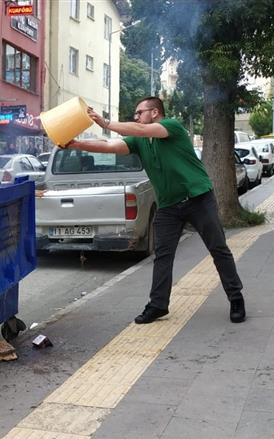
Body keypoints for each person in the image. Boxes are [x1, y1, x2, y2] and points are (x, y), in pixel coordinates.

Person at [62, 96, 246, 324]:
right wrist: (76, 145)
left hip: (197, 197)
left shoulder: (172, 127)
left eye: (140, 112)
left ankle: (236, 297)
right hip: (168, 205)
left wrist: (106, 123)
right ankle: (158, 305)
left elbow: (138, 128)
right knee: (162, 256)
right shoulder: (141, 142)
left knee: (218, 248)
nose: (136, 117)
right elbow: (111, 146)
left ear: (155, 113)